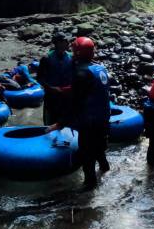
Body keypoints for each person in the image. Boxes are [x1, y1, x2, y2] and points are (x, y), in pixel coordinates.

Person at [47, 37, 111, 189]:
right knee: (100, 147)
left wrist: (60, 123)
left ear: (77, 53)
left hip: (89, 121)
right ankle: (105, 169)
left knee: (87, 154)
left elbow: (75, 104)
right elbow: (93, 89)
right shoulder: (100, 69)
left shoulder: (81, 74)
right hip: (104, 118)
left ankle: (89, 186)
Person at [37, 32, 73, 126]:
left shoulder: (71, 57)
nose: (68, 43)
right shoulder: (46, 58)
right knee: (49, 124)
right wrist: (52, 88)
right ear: (58, 43)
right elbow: (40, 78)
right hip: (51, 98)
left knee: (66, 124)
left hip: (66, 98)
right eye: (65, 41)